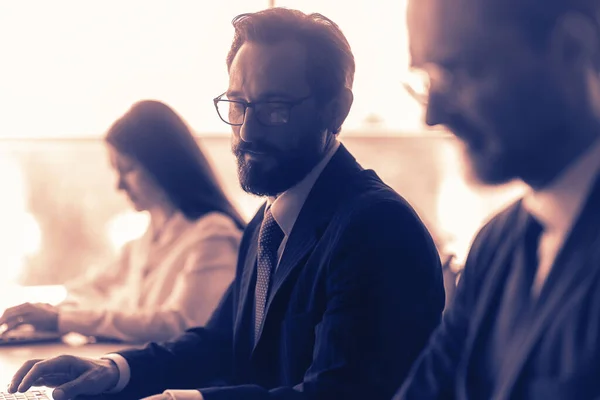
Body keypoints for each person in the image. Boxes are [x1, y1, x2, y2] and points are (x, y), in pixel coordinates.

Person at [7, 8, 445, 400]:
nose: (247, 131)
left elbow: (336, 394)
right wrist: (114, 370)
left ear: (336, 110)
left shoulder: (375, 227)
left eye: (275, 108)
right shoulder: (268, 223)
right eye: (237, 104)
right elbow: (218, 343)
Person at [394, 0, 600, 398]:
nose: (432, 115)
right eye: (425, 80)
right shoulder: (494, 246)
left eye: (454, 71)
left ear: (571, 48)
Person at [0, 100, 245, 344]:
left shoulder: (213, 235)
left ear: (161, 165)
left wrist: (64, 319)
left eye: (126, 169)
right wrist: (46, 318)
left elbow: (180, 324)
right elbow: (88, 291)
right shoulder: (141, 244)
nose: (119, 185)